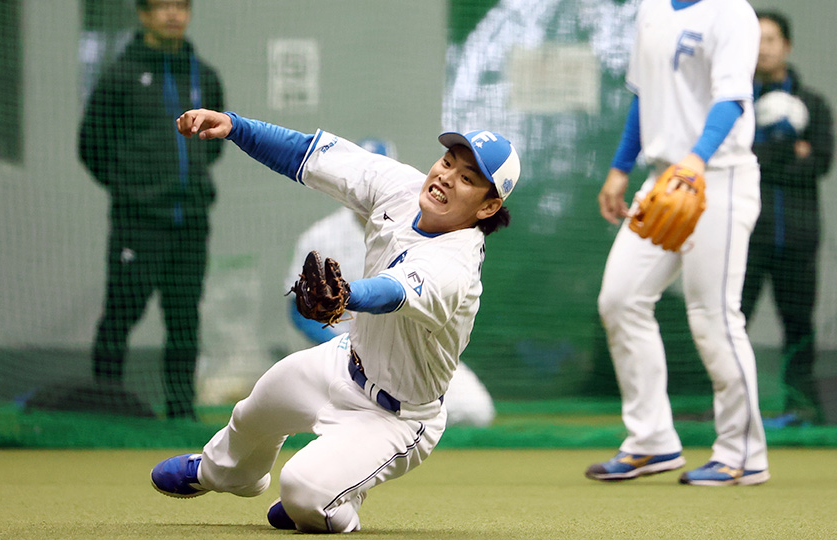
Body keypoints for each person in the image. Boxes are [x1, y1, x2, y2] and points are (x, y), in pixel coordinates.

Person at [150, 108, 520, 533]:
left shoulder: (456, 265)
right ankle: (227, 472)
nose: (446, 176)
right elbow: (307, 154)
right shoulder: (401, 187)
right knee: (258, 406)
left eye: (468, 178)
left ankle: (331, 500)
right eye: (448, 161)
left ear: (490, 206)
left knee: (303, 490)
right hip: (344, 362)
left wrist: (347, 295)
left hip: (395, 417)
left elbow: (392, 292)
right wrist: (236, 127)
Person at [585, 0, 769, 486]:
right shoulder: (651, 8)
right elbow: (644, 96)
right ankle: (652, 441)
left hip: (719, 176)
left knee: (714, 317)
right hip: (662, 178)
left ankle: (742, 453)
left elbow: (731, 99)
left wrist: (696, 159)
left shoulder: (731, 12)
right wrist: (620, 169)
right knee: (620, 299)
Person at [78, 0, 224, 420]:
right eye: (162, 6)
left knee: (184, 318)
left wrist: (186, 182)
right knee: (122, 311)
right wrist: (135, 189)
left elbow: (211, 146)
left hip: (191, 222)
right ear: (143, 15)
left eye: (180, 6)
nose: (173, 14)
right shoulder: (120, 76)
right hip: (138, 223)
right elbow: (91, 146)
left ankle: (180, 410)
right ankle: (105, 406)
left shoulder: (205, 77)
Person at [284, 138, 496, 428]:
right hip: (343, 347)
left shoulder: (422, 217)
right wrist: (337, 342)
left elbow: (395, 291)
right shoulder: (321, 234)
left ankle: (411, 434)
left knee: (476, 410)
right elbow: (296, 309)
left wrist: (347, 294)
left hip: (417, 355)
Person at [741, 10, 835, 428]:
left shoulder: (814, 104)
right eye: (757, 39)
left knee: (798, 323)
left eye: (772, 39)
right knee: (732, 318)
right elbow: (734, 159)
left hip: (798, 237)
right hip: (745, 234)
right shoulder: (734, 102)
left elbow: (821, 161)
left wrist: (766, 156)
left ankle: (802, 408)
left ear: (788, 46)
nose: (764, 47)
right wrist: (788, 149)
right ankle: (732, 411)